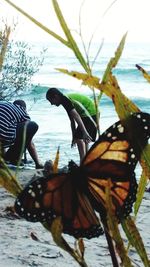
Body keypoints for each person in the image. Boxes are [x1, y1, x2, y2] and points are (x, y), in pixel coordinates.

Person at [46, 88, 98, 162]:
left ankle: (83, 162)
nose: (51, 104)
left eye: (51, 100)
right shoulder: (65, 100)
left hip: (90, 112)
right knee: (82, 138)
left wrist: (84, 132)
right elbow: (72, 121)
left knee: (80, 138)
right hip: (91, 112)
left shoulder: (65, 100)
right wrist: (74, 136)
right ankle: (86, 162)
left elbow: (76, 115)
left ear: (56, 96)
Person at [0, 99, 43, 169]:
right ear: (24, 108)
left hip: (2, 135)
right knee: (32, 125)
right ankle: (13, 158)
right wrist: (37, 163)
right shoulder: (22, 111)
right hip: (4, 136)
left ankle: (5, 158)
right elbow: (30, 143)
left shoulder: (6, 105)